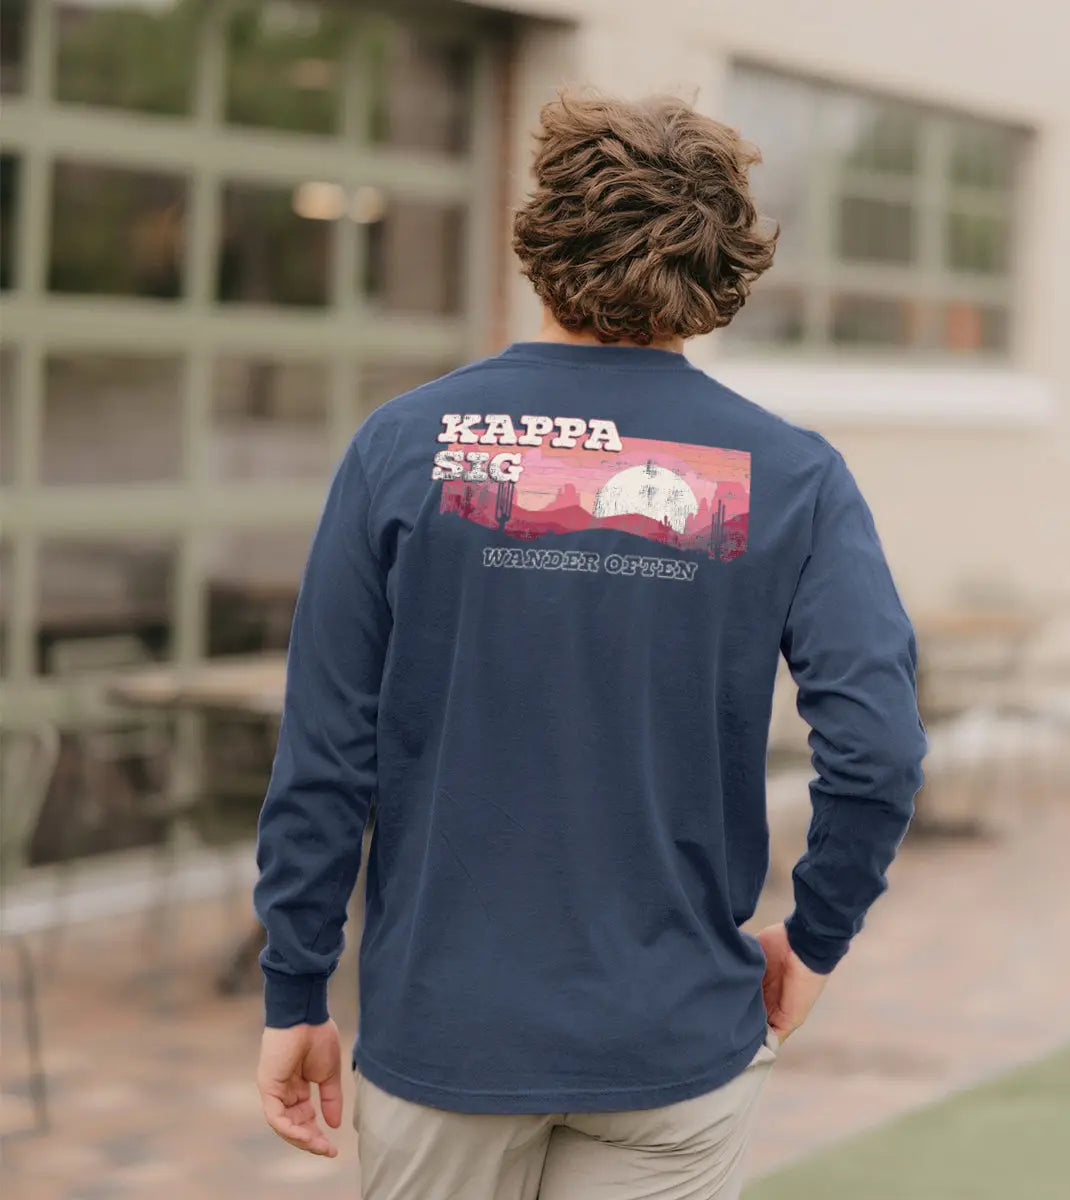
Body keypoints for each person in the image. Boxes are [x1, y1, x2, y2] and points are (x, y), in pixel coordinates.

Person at [254, 92, 925, 1200]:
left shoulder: (403, 445)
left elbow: (325, 752)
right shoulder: (793, 475)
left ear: (543, 237)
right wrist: (816, 939)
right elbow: (880, 751)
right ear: (723, 264)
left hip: (448, 1033)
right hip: (674, 1040)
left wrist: (295, 988)